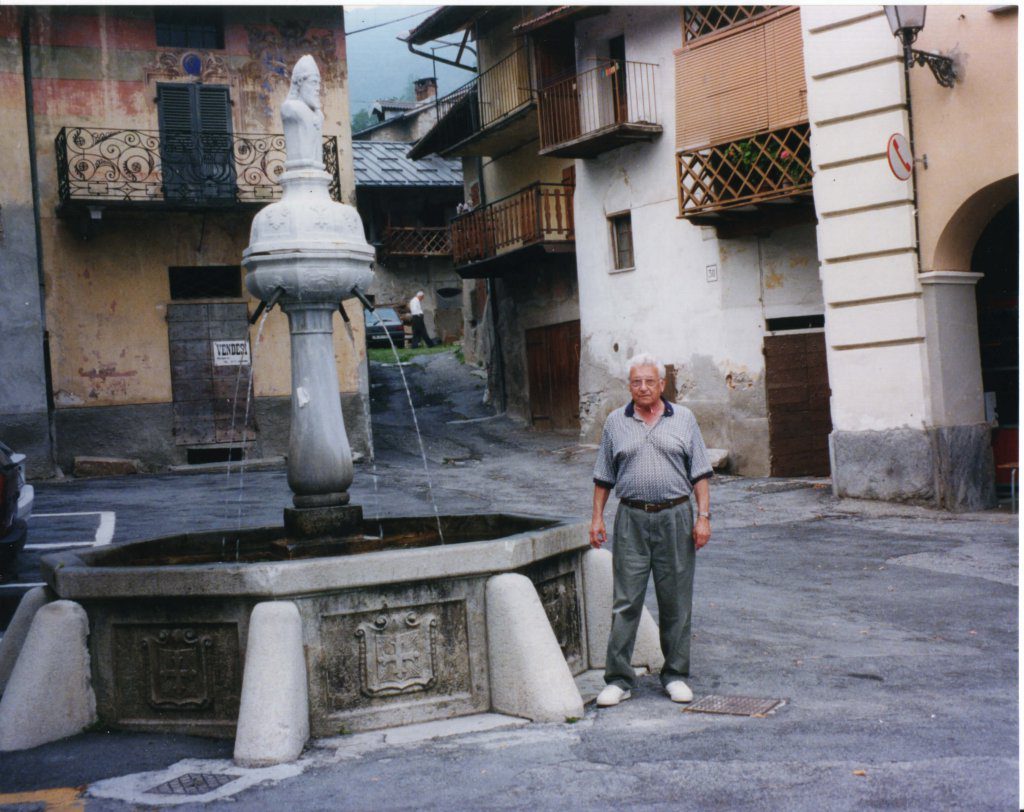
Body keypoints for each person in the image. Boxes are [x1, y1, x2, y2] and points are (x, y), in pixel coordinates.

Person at [590, 352, 713, 707]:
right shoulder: (615, 422)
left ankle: (675, 675)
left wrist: (703, 517)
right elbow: (603, 476)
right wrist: (596, 518)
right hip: (631, 519)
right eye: (635, 382)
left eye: (649, 381)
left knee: (675, 600)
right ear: (629, 386)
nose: (642, 388)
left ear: (662, 385)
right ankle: (618, 679)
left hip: (676, 517)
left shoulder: (685, 419)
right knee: (626, 600)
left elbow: (700, 473)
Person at [281, 54, 324, 168]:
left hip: (317, 170)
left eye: (319, 83)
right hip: (300, 169)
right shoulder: (291, 108)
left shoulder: (318, 113)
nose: (318, 88)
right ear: (300, 82)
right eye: (314, 82)